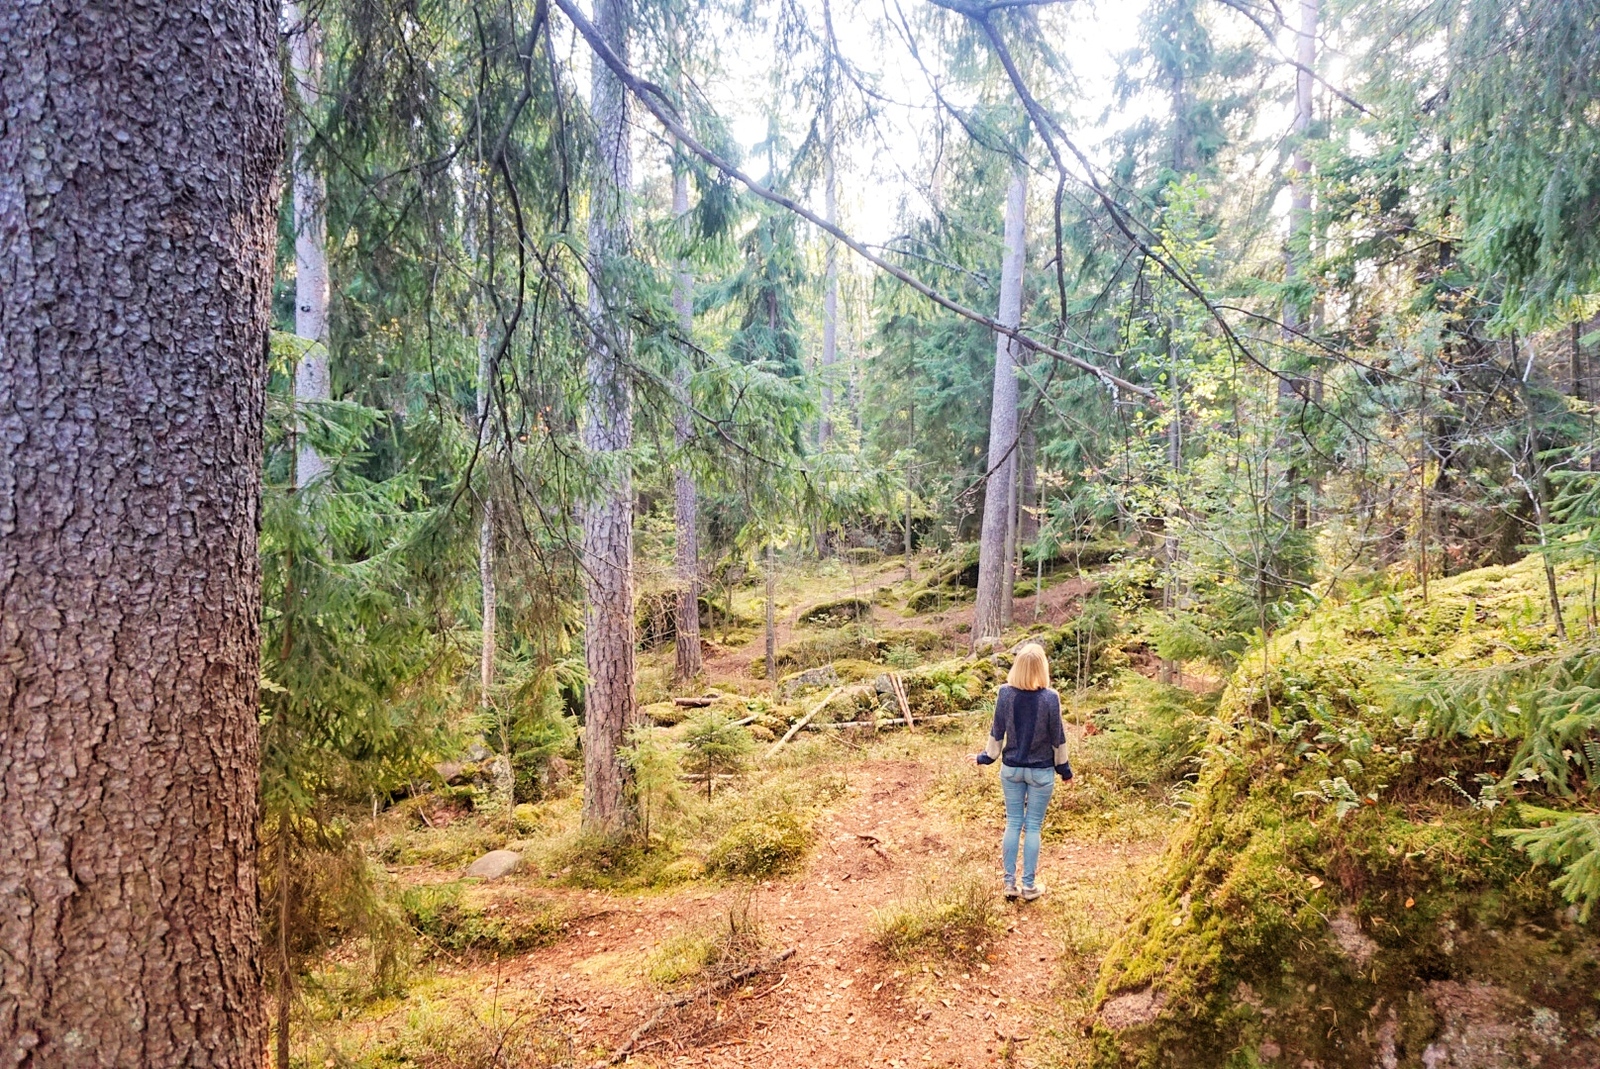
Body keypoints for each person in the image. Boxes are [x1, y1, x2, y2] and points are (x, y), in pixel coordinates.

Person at [971, 642, 1072, 901]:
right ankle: (1029, 886)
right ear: (1042, 668)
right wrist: (1065, 770)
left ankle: (1008, 884)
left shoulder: (1005, 694)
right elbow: (1057, 738)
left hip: (1011, 769)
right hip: (1041, 773)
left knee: (1013, 823)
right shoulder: (1051, 698)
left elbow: (997, 733)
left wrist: (985, 758)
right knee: (1033, 827)